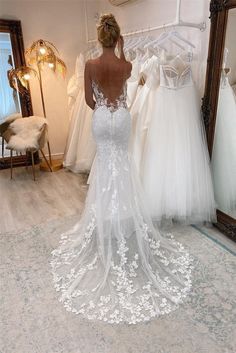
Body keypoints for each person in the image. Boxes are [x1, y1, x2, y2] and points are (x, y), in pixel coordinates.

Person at [50, 14, 193, 325]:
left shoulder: (90, 66)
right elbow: (124, 75)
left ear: (100, 37)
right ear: (117, 38)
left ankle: (105, 220)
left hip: (103, 118)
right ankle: (124, 221)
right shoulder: (127, 66)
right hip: (123, 118)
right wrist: (123, 52)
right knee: (123, 166)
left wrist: (104, 106)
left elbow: (89, 100)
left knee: (106, 164)